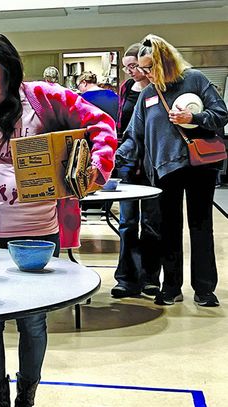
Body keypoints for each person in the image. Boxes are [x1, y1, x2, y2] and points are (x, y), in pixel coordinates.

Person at [0, 33, 116, 407]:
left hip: (38, 230)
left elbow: (101, 126)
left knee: (33, 319)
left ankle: (26, 397)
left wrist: (94, 170)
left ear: (11, 71)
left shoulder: (46, 98)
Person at [117, 34, 228, 307]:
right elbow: (134, 136)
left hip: (200, 166)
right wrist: (112, 159)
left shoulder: (195, 80)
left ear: (165, 62)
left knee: (201, 228)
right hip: (164, 171)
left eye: (149, 68)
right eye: (142, 69)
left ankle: (204, 289)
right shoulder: (147, 94)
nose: (145, 74)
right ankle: (171, 287)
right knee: (168, 230)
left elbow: (221, 113)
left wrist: (194, 118)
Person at [111, 43, 162, 298]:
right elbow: (123, 126)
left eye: (134, 67)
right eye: (127, 67)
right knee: (127, 223)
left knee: (152, 223)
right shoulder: (125, 89)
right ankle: (126, 279)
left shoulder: (158, 89)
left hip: (153, 165)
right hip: (128, 163)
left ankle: (151, 278)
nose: (131, 71)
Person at [77, 71, 119, 219]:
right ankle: (105, 210)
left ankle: (88, 209)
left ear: (83, 83)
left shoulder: (81, 99)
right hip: (112, 140)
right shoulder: (114, 96)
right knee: (107, 175)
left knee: (88, 177)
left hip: (90, 143)